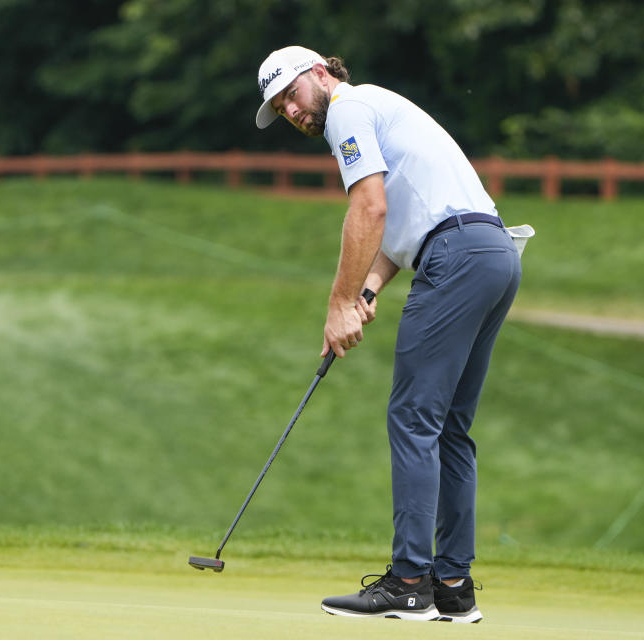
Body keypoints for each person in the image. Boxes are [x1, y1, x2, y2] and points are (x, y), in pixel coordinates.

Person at [255, 46, 522, 623]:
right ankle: (452, 586)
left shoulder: (349, 112)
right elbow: (405, 224)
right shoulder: (377, 108)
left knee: (413, 419)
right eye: (281, 108)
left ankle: (407, 583)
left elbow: (369, 209)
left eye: (292, 95)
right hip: (493, 253)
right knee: (449, 427)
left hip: (455, 254)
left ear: (318, 74)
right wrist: (369, 290)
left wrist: (339, 304)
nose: (293, 112)